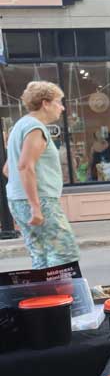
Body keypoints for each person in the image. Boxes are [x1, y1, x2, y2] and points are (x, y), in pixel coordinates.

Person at [2, 81, 80, 269]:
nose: (61, 108)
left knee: (41, 254)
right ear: (45, 103)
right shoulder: (35, 128)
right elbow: (25, 166)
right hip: (40, 200)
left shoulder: (20, 126)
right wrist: (35, 206)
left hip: (17, 199)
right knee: (63, 252)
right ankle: (64, 296)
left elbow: (7, 169)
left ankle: (44, 294)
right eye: (59, 102)